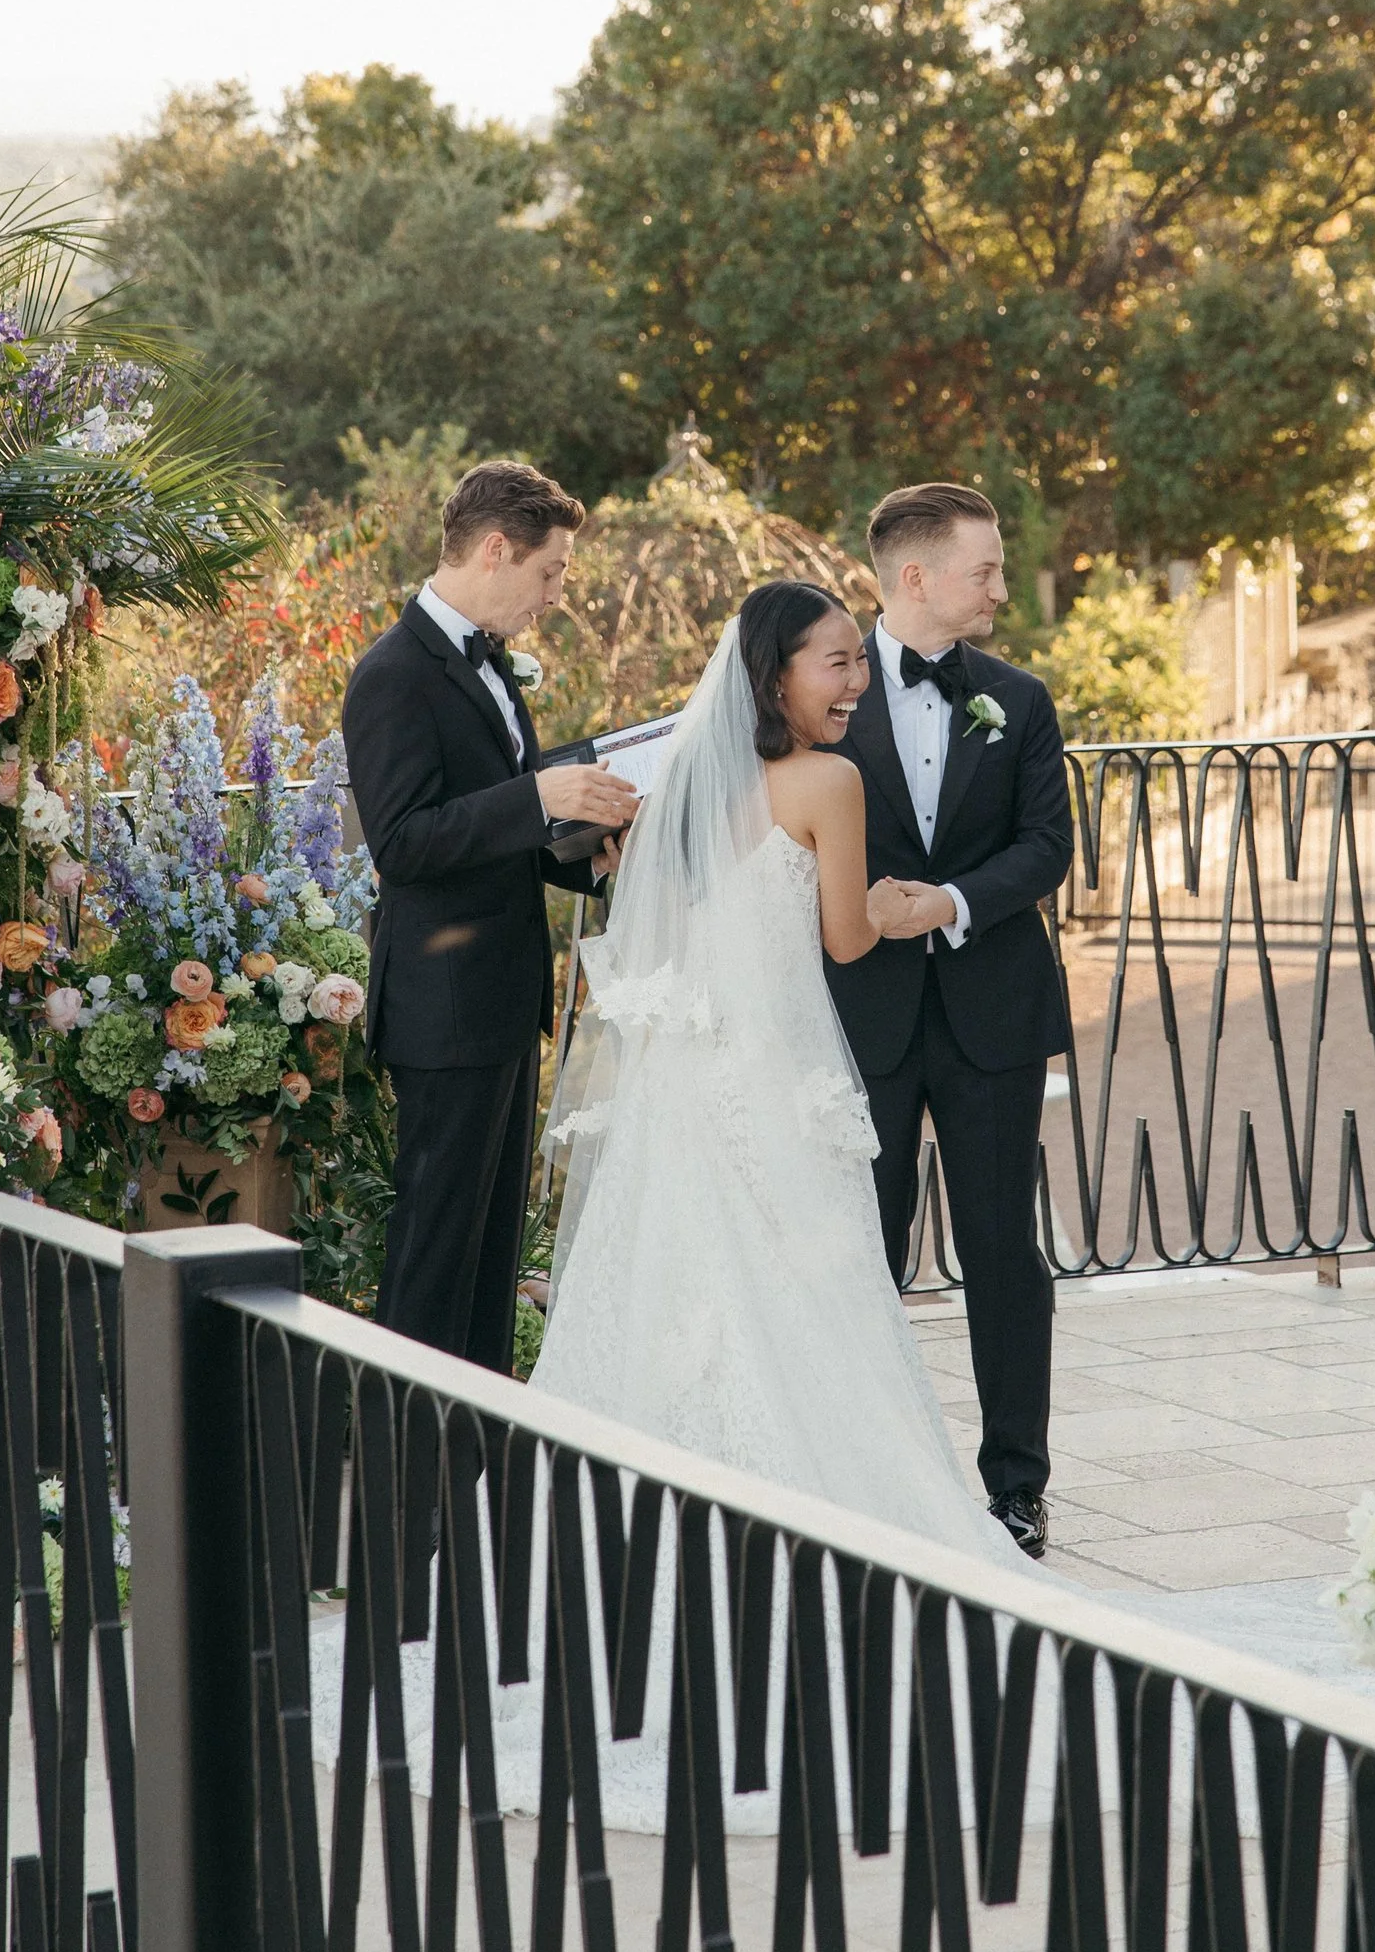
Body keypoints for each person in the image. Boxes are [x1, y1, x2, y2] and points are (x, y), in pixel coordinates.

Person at [531, 578, 1017, 1567]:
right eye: (836, 663)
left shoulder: (680, 788)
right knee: (800, 1287)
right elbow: (844, 940)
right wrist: (893, 903)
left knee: (667, 1276)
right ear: (775, 673)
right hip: (775, 1084)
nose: (856, 684)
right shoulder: (828, 785)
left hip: (679, 1085)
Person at [340, 458, 641, 1370]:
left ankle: (473, 1459)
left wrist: (589, 849)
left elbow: (504, 831)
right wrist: (540, 796)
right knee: (435, 1253)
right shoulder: (392, 674)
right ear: (497, 550)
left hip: (505, 1001)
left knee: (491, 1254)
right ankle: (409, 1462)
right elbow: (404, 843)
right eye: (550, 573)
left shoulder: (492, 666)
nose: (553, 595)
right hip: (443, 1007)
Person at [822, 483, 1072, 1557]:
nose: (1001, 589)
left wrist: (951, 903)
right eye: (986, 569)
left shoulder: (1018, 698)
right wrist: (866, 904)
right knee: (858, 1252)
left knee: (1004, 1254)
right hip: (857, 1015)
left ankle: (1017, 1485)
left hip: (992, 1015)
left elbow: (1045, 846)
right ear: (914, 577)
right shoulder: (818, 696)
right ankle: (862, 1479)